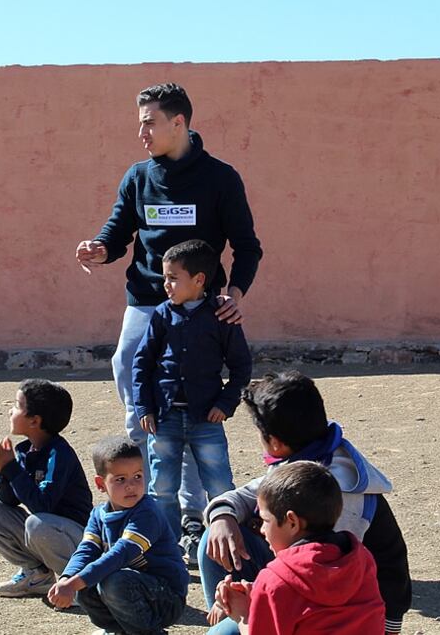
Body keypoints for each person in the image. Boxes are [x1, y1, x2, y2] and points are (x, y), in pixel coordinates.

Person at [76, 82, 263, 558]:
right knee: (132, 375)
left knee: (196, 407)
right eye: (140, 122)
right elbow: (118, 231)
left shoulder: (221, 178)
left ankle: (197, 511)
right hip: (145, 302)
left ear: (179, 122)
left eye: (149, 122)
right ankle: (141, 484)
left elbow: (247, 246)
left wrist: (233, 294)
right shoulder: (138, 176)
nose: (141, 132)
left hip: (203, 309)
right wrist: (100, 248)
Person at [200, 371, 413, 635]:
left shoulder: (335, 492)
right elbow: (249, 495)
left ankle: (227, 619)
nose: (262, 527)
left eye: (265, 521)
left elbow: (326, 583)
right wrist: (223, 516)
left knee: (225, 634)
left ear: (275, 443)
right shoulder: (312, 459)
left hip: (354, 611)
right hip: (328, 588)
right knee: (217, 533)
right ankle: (224, 612)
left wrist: (250, 608)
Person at [133, 238, 251, 563]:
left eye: (173, 278)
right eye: (164, 277)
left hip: (206, 419)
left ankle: (226, 543)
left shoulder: (221, 317)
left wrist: (225, 404)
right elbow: (141, 364)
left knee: (220, 483)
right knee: (163, 487)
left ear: (199, 280)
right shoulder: (161, 315)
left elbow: (241, 367)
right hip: (165, 418)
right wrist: (144, 407)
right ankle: (168, 547)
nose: (166, 285)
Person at [207, 461, 386, 635]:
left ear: (292, 522)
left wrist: (242, 616)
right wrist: (257, 593)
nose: (261, 529)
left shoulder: (276, 580)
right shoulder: (360, 558)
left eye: (265, 521)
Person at [47, 436, 188, 635]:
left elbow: (122, 553)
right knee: (84, 584)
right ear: (100, 484)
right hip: (130, 589)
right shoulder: (98, 515)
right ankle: (119, 630)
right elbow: (86, 550)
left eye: (137, 476)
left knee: (111, 581)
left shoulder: (147, 513)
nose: (131, 485)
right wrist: (67, 578)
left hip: (165, 597)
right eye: (120, 479)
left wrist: (75, 582)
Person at [0, 379, 93, 598]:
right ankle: (37, 575)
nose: (10, 410)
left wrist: (11, 467)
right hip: (46, 531)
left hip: (78, 540)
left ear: (34, 421)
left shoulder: (59, 455)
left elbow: (42, 505)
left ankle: (79, 586)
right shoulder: (23, 451)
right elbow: (9, 501)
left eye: (17, 405)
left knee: (37, 523)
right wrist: (3, 469)